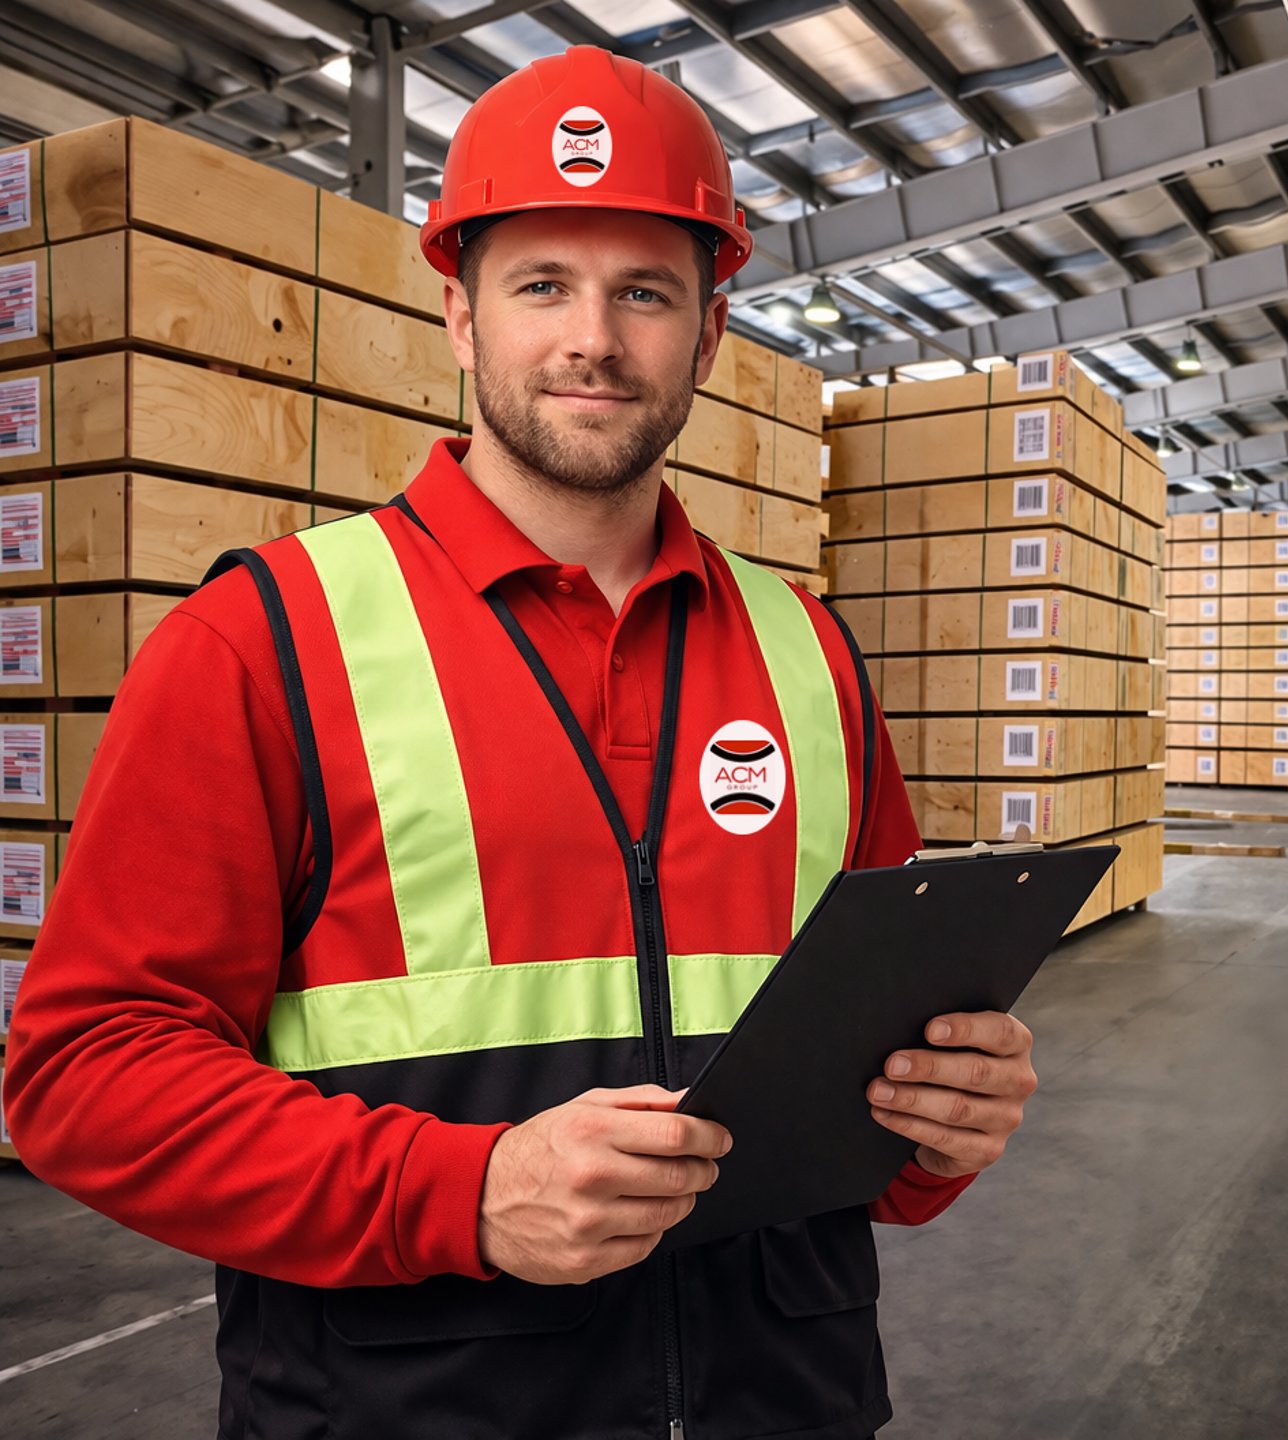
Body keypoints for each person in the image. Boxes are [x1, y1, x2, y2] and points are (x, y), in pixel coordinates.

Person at [3, 46, 1039, 1440]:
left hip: (787, 1403)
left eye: (646, 293)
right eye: (542, 284)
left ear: (711, 334)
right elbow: (86, 1077)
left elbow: (881, 1076)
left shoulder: (811, 658)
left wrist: (940, 1126)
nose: (592, 341)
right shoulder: (268, 643)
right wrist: (464, 1191)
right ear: (460, 316)